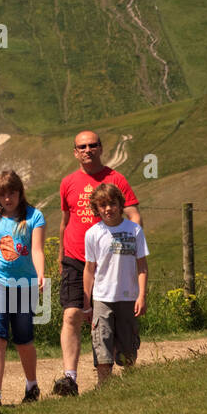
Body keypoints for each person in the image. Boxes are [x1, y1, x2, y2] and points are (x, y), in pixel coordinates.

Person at [54, 130, 141, 396]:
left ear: (101, 148)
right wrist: (60, 253)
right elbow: (65, 221)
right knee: (72, 314)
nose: (88, 150)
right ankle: (70, 378)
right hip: (75, 258)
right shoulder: (68, 182)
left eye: (93, 145)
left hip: (108, 260)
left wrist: (130, 244)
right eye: (82, 146)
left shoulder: (116, 179)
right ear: (75, 152)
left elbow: (133, 213)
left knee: (109, 317)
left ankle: (116, 367)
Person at [0, 170, 45, 403]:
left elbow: (37, 249)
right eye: (2, 194)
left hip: (24, 285)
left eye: (12, 193)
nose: (8, 199)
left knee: (23, 339)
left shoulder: (35, 217)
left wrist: (41, 274)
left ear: (20, 192)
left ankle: (32, 385)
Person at [83, 182, 148, 385]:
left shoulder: (134, 230)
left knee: (128, 347)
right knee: (101, 343)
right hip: (102, 298)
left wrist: (142, 295)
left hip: (128, 297)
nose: (108, 209)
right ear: (96, 209)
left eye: (112, 204)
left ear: (120, 204)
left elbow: (142, 266)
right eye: (102, 206)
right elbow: (89, 269)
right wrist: (86, 304)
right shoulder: (93, 233)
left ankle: (129, 385)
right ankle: (104, 385)